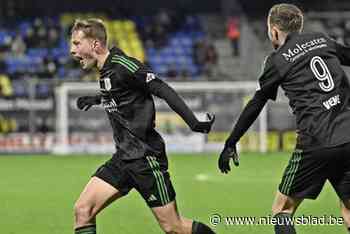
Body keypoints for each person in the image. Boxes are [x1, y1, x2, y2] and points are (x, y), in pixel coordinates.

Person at [70, 18, 216, 234]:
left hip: (145, 158)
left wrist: (193, 122)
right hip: (123, 158)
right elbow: (122, 95)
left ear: (94, 44)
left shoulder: (124, 65)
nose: (72, 51)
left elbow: (161, 88)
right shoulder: (106, 70)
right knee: (83, 211)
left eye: (76, 44)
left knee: (174, 227)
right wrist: (96, 99)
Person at [218, 3, 350, 234]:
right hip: (348, 135)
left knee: (282, 209)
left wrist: (231, 142)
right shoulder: (322, 40)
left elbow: (256, 104)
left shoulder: (276, 61)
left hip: (315, 141)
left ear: (275, 31)